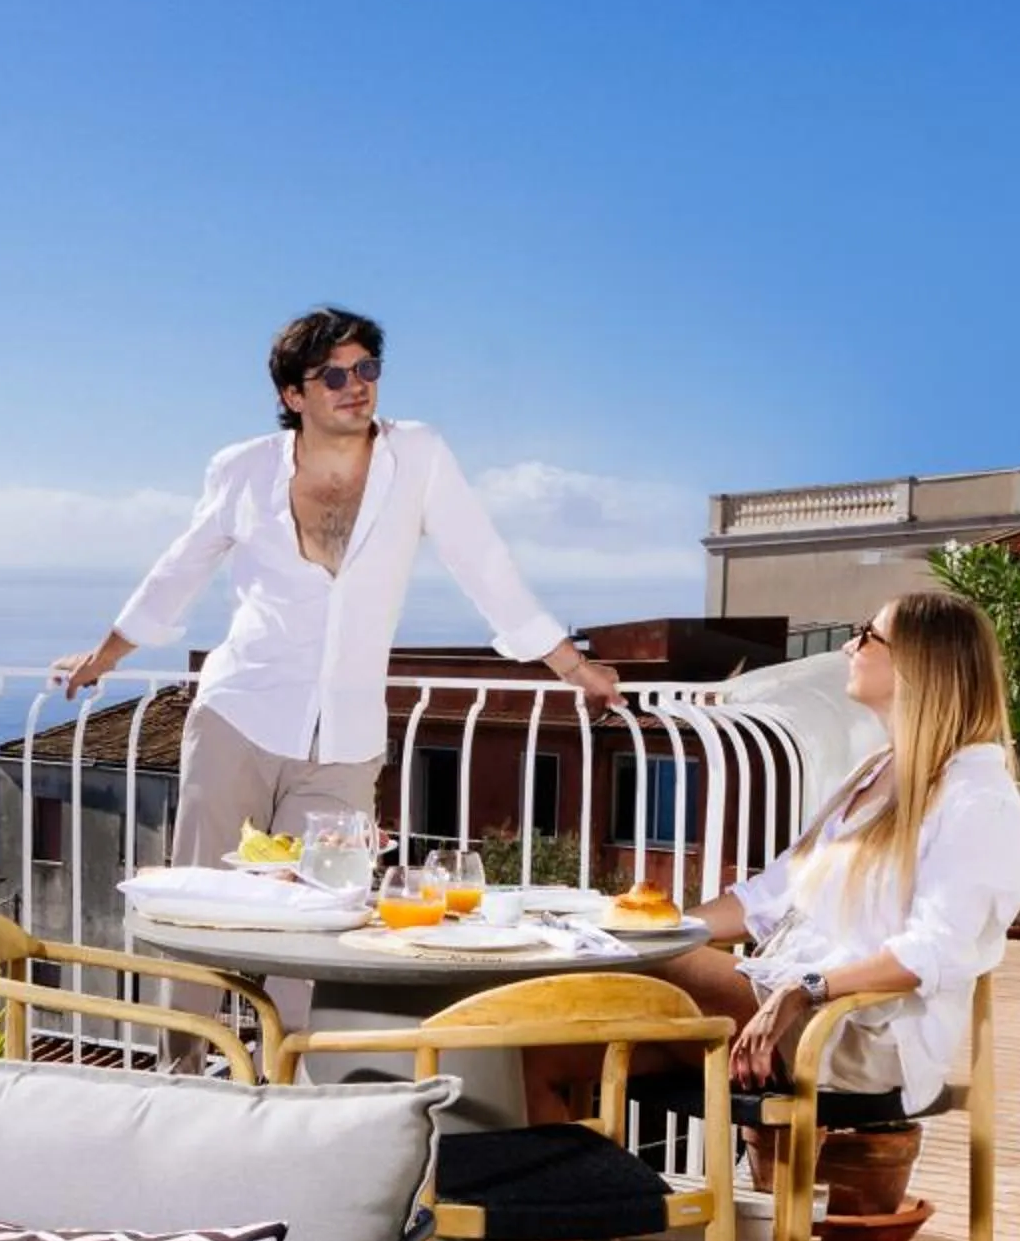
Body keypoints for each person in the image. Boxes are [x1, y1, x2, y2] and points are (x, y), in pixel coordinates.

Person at [50, 307, 623, 870]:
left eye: (366, 369)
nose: (356, 387)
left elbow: (485, 564)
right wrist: (104, 657)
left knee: (313, 919)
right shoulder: (242, 469)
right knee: (207, 908)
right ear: (291, 397)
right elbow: (178, 570)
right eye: (332, 375)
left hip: (346, 742)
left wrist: (575, 669)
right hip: (238, 717)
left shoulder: (417, 456)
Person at [658, 589, 1020, 1110]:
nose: (848, 648)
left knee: (651, 970)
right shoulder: (875, 772)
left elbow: (936, 948)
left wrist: (804, 988)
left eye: (867, 635)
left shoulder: (977, 797)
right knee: (550, 1056)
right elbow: (768, 898)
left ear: (918, 663)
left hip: (859, 1026)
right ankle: (600, 1194)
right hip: (791, 1001)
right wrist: (647, 929)